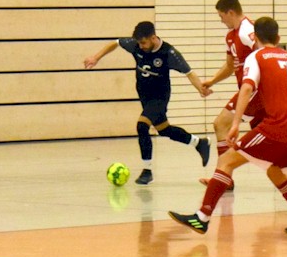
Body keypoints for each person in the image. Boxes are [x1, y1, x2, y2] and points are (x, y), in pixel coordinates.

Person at [169, 16, 287, 235]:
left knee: (226, 160)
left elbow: (247, 89)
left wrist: (235, 124)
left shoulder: (256, 57)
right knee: (275, 172)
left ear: (256, 37)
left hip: (277, 126)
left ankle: (202, 217)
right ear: (278, 38)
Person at [200, 0, 287, 189]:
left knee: (221, 124)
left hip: (255, 91)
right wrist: (212, 81)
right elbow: (231, 66)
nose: (220, 20)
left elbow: (269, 52)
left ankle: (223, 177)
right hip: (251, 90)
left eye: (221, 16)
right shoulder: (231, 36)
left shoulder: (247, 31)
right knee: (273, 137)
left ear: (231, 12)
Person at [84, 21, 211, 184]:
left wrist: (201, 88)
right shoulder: (136, 45)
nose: (141, 46)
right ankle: (199, 143)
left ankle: (147, 171)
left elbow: (189, 72)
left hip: (159, 96)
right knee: (165, 130)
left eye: (143, 43)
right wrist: (96, 57)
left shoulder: (169, 53)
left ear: (153, 38)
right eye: (138, 43)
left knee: (142, 125)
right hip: (145, 96)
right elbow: (115, 43)